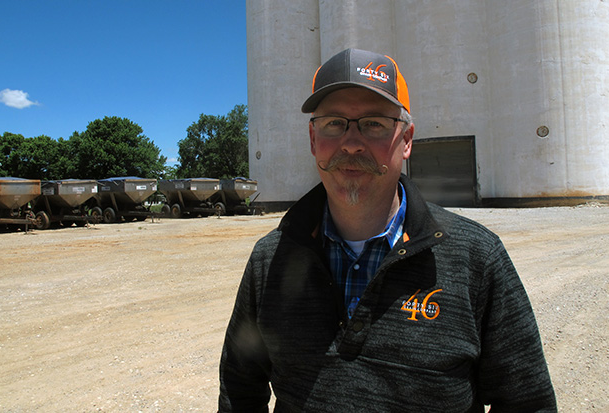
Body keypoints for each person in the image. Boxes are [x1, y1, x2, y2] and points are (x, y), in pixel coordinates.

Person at [218, 48, 557, 412]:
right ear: (313, 140)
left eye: (374, 123)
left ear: (407, 140)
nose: (351, 142)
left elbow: (527, 402)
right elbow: (240, 392)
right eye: (333, 123)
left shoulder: (477, 259)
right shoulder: (271, 260)